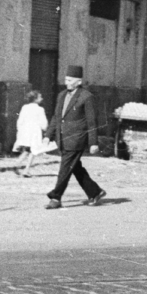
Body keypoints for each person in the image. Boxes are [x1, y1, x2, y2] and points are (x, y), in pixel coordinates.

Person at [44, 65, 105, 208]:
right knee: (75, 168)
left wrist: (93, 143)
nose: (67, 83)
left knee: (65, 168)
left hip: (77, 139)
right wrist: (48, 135)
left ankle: (55, 198)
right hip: (62, 138)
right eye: (66, 79)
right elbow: (56, 117)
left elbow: (91, 121)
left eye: (70, 80)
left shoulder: (86, 97)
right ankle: (94, 192)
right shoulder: (62, 95)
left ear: (78, 81)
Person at [12, 90, 54, 178]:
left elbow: (20, 120)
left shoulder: (25, 107)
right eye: (40, 97)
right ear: (35, 99)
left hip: (25, 131)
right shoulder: (40, 109)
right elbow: (43, 123)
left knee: (28, 150)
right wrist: (45, 129)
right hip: (34, 132)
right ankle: (26, 170)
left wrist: (19, 130)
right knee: (33, 151)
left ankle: (17, 163)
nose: (41, 98)